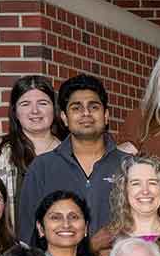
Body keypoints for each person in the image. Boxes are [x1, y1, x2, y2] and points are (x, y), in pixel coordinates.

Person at [17, 73, 127, 242]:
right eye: (76, 108)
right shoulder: (42, 167)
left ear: (106, 116)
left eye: (94, 107)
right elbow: (26, 232)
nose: (86, 113)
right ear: (64, 118)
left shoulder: (129, 166)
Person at [0, 74, 64, 213]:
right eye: (25, 104)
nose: (35, 110)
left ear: (54, 109)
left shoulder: (71, 152)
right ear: (15, 112)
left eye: (43, 103)